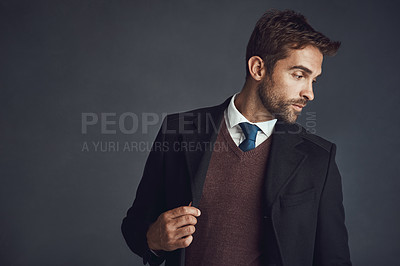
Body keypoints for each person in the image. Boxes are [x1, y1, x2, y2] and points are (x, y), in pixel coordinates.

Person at [121, 9, 352, 266]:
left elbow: (334, 259)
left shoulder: (318, 158)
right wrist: (153, 239)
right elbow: (135, 226)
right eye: (299, 75)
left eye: (314, 80)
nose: (309, 93)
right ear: (258, 68)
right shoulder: (178, 131)